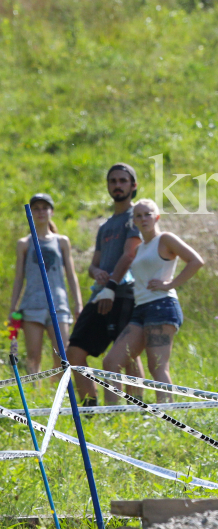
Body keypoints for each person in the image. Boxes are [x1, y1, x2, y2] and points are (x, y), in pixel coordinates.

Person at [103, 199, 204, 404]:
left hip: (162, 306)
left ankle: (168, 418)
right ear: (134, 222)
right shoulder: (140, 248)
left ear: (156, 217)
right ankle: (112, 417)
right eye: (138, 216)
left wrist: (170, 284)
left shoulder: (165, 239)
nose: (143, 218)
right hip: (140, 310)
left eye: (147, 214)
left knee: (157, 366)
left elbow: (196, 261)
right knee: (111, 362)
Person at [67, 163, 146, 405]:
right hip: (101, 294)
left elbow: (130, 254)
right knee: (74, 351)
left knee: (128, 354)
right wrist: (98, 272)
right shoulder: (104, 226)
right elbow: (93, 264)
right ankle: (91, 409)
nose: (117, 185)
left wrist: (111, 286)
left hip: (126, 294)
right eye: (113, 181)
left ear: (133, 186)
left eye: (123, 181)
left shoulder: (137, 217)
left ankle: (137, 410)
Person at [8, 194, 83, 374]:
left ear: (52, 211)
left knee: (62, 355)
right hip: (32, 305)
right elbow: (19, 277)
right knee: (34, 356)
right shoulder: (24, 243)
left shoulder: (62, 241)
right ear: (31, 212)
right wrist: (13, 308)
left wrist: (78, 304)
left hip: (59, 304)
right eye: (36, 208)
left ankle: (55, 395)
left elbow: (71, 274)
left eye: (44, 207)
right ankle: (36, 398)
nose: (41, 212)